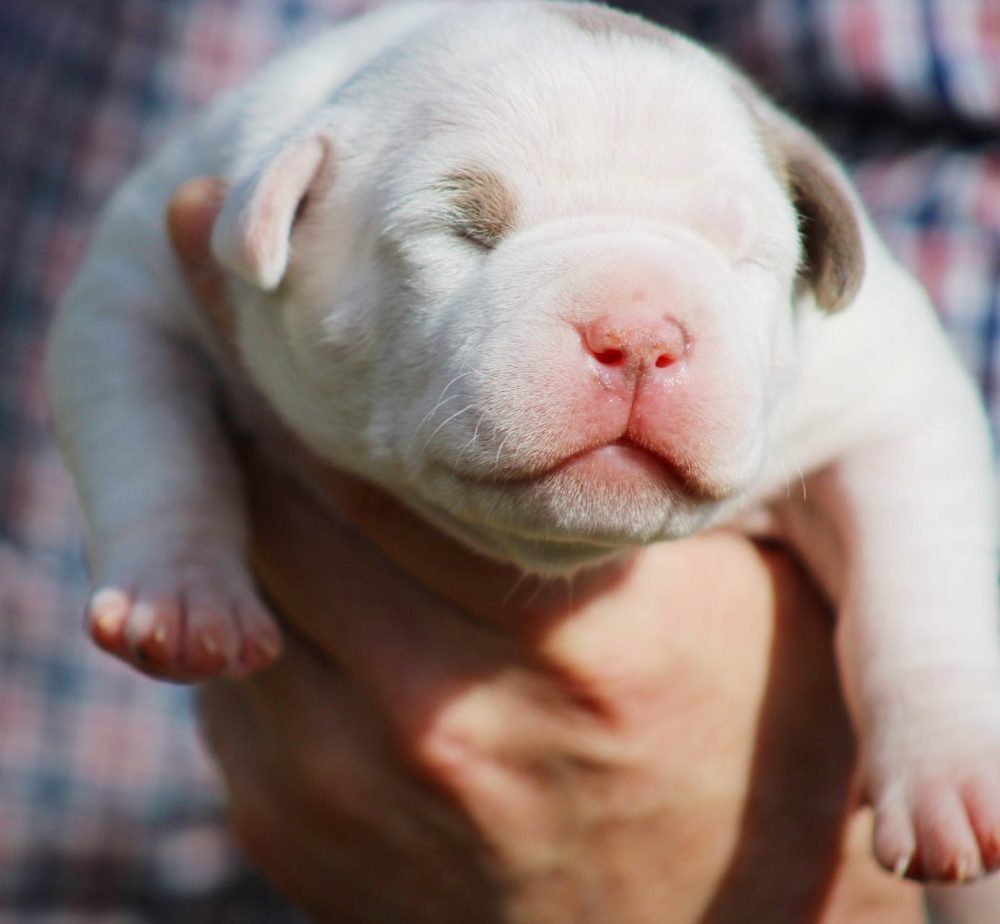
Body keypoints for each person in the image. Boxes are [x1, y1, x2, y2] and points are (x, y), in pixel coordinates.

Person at [1, 0, 996, 920]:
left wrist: (935, 689)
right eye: (466, 228)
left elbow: (905, 415)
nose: (637, 337)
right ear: (287, 214)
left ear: (809, 242)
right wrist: (170, 535)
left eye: (734, 252)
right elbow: (122, 303)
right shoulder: (254, 156)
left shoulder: (829, 332)